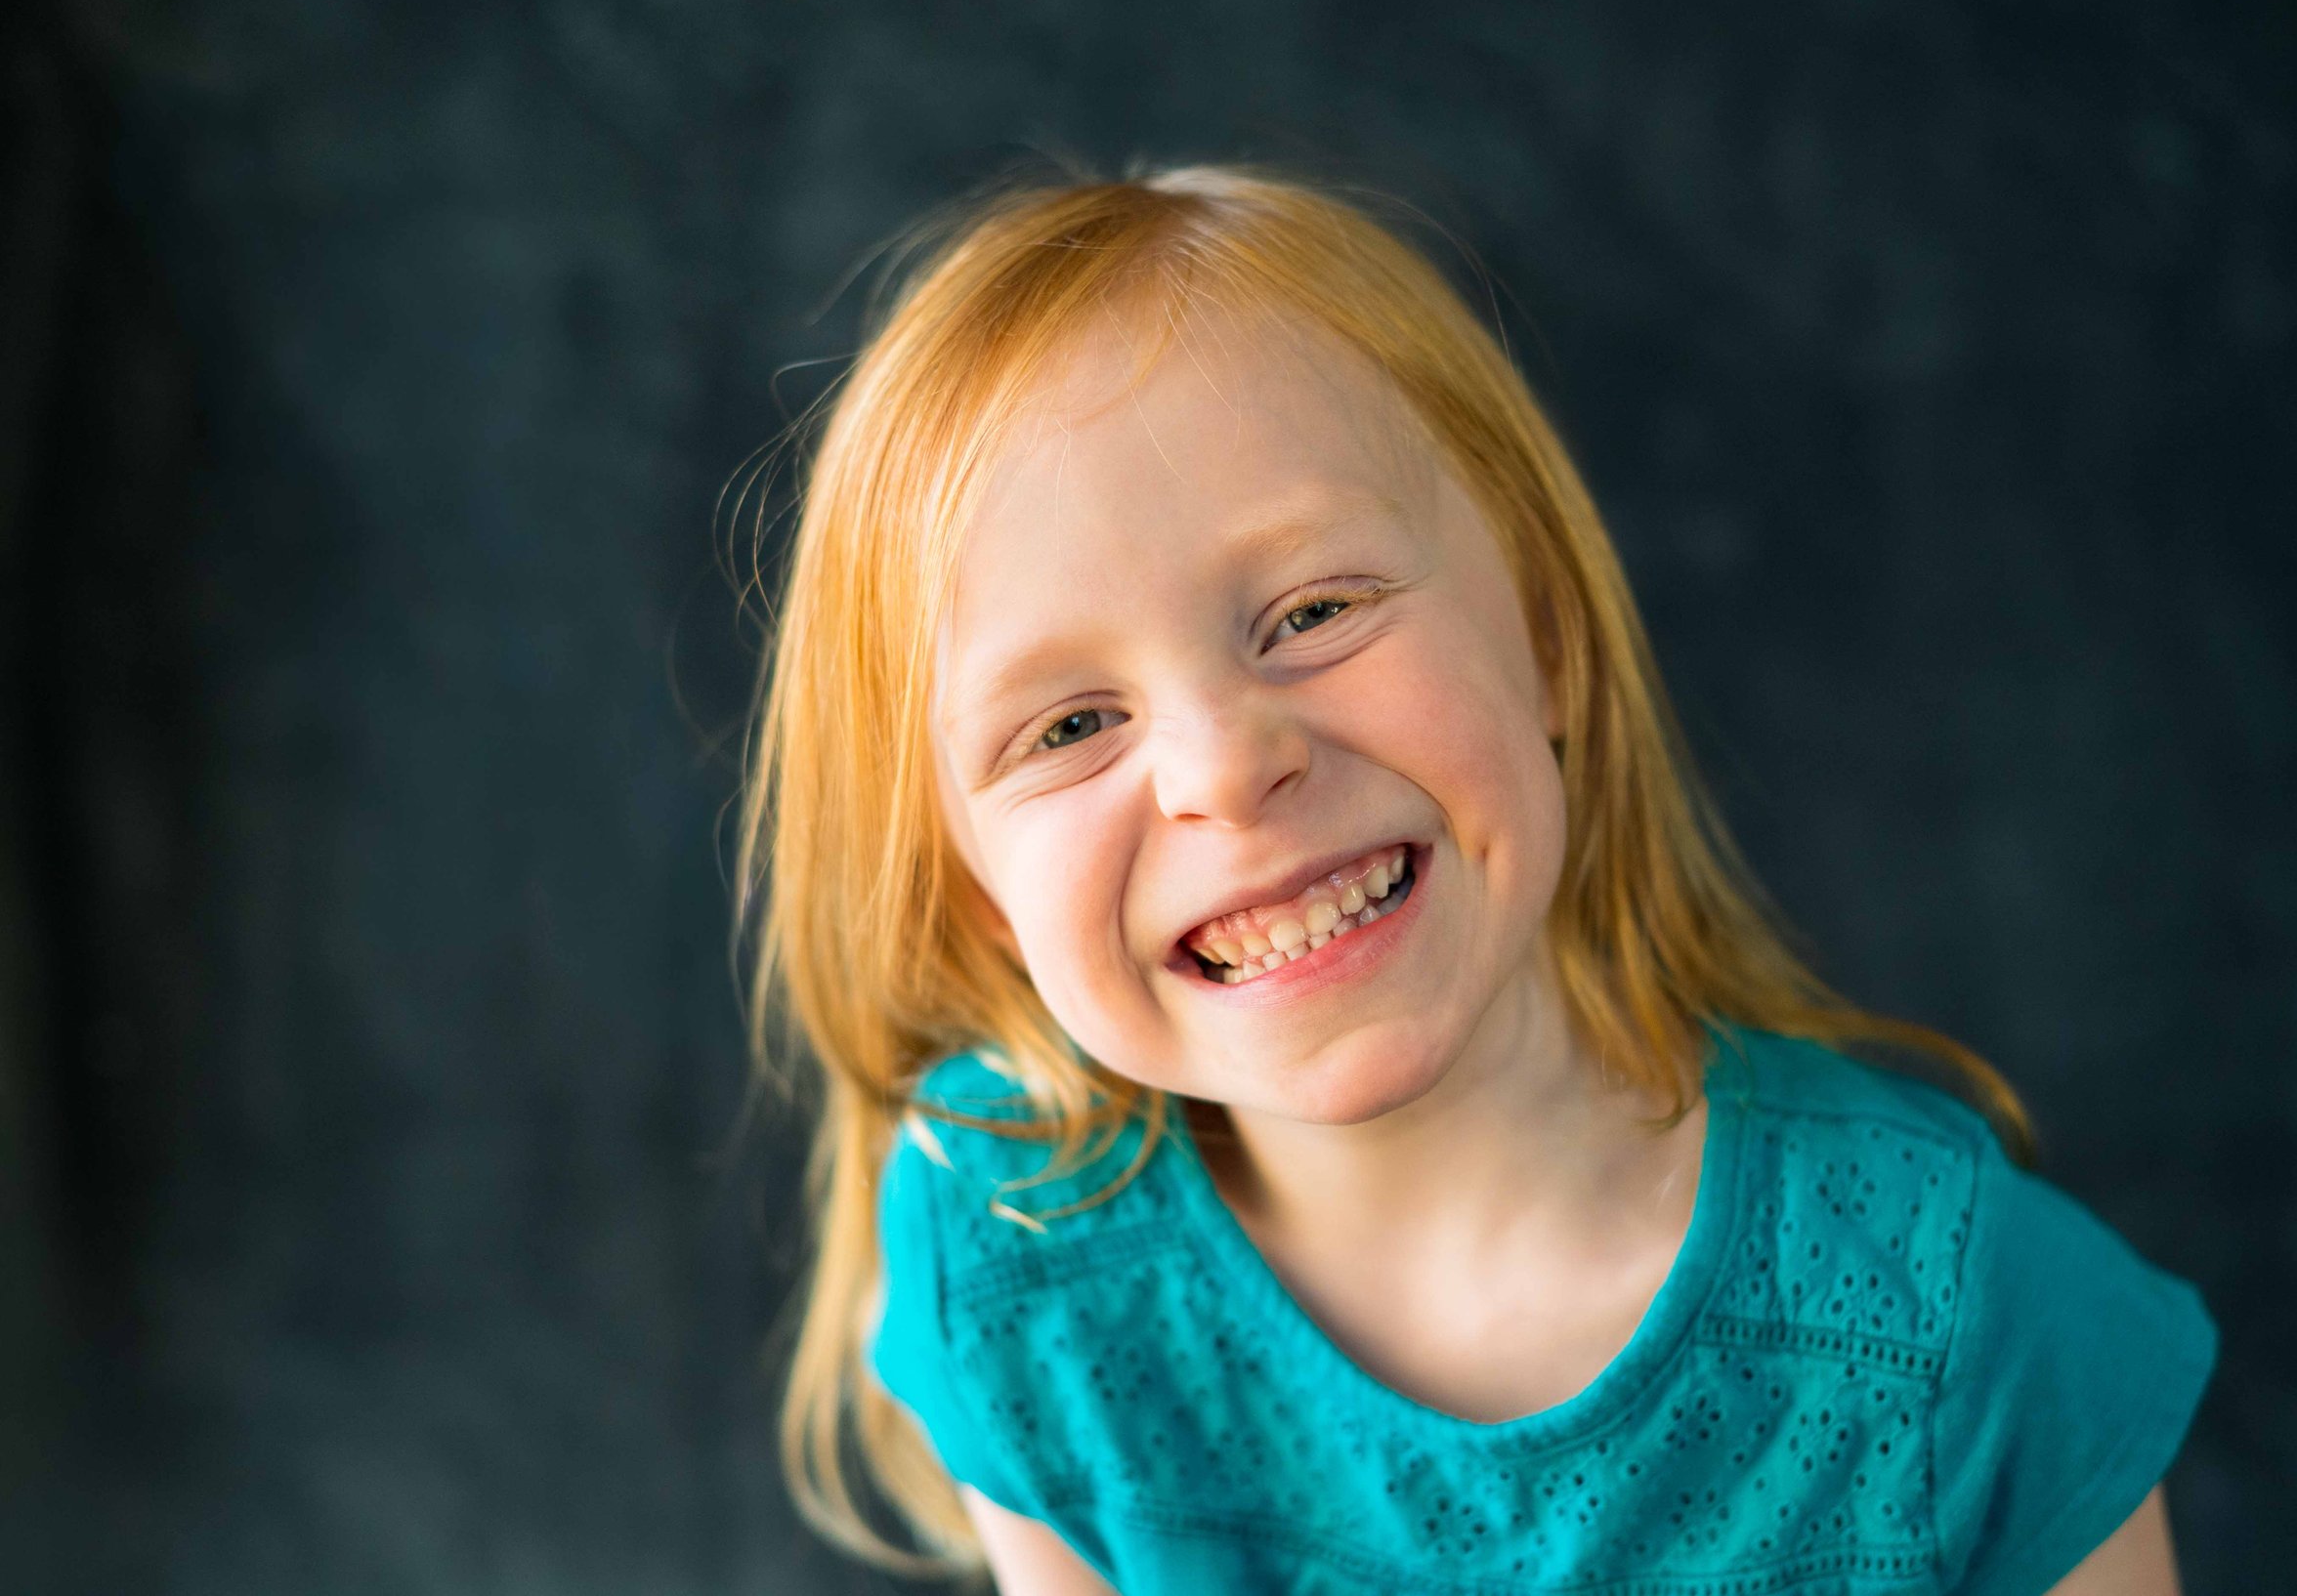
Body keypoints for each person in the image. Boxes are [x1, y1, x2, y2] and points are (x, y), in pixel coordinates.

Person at [731, 161, 2219, 1594]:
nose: (1224, 769)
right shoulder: (1007, 1238)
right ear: (981, 889)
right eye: (1067, 726)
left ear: (1550, 640)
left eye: (1314, 608)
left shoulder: (1970, 1322)